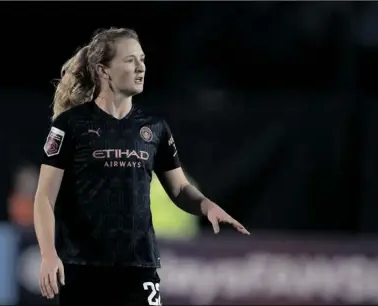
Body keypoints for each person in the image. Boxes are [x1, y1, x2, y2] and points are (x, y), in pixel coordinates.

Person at [34, 27, 250, 306]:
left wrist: (206, 205)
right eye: (130, 60)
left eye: (143, 59)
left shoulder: (154, 128)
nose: (141, 67)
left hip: (138, 268)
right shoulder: (70, 126)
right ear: (104, 71)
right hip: (84, 269)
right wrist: (48, 255)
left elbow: (180, 188)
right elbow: (43, 197)